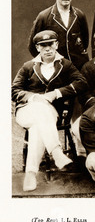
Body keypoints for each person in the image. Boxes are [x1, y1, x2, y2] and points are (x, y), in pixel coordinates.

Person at [12, 30, 88, 191]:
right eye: (43, 46)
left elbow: (81, 83)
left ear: (56, 45)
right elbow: (14, 90)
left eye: (50, 44)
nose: (47, 49)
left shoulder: (65, 65)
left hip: (52, 112)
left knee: (37, 128)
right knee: (39, 109)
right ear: (38, 48)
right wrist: (34, 97)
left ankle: (31, 174)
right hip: (26, 111)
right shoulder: (28, 66)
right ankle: (56, 151)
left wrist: (56, 93)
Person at [28, 0, 89, 70]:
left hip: (78, 66)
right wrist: (46, 63)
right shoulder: (44, 16)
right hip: (55, 67)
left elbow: (85, 42)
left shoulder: (79, 15)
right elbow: (33, 46)